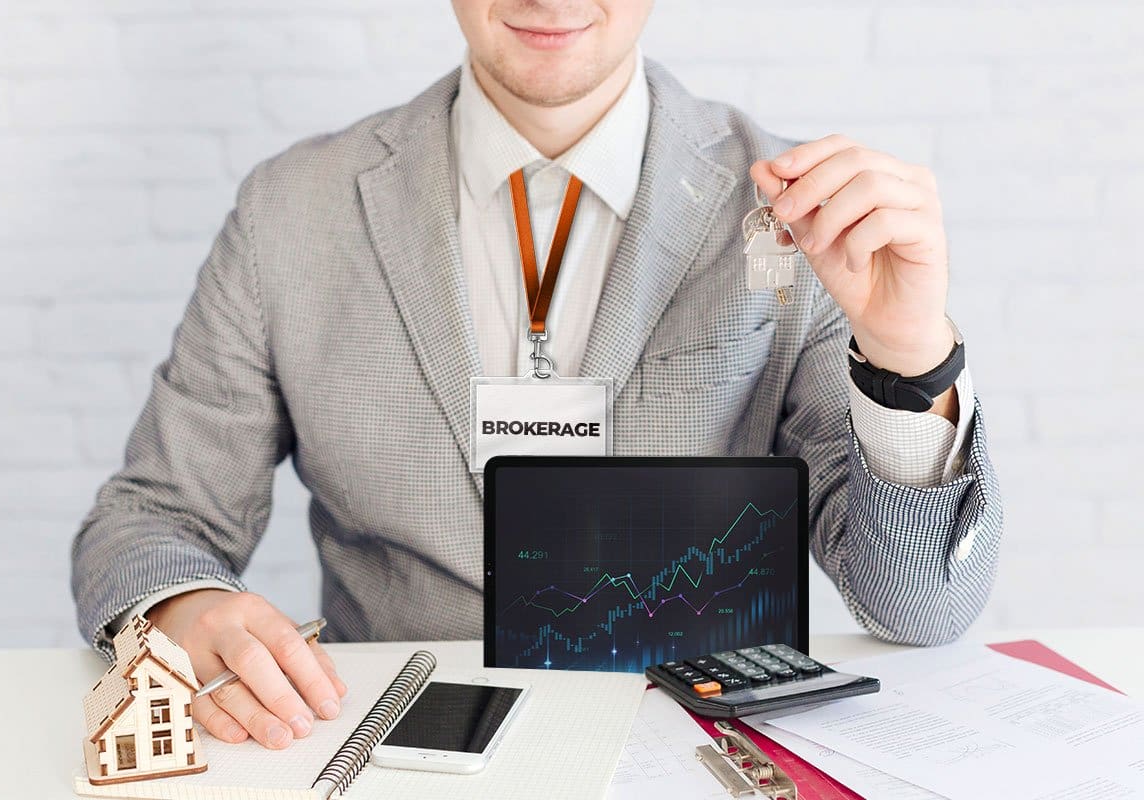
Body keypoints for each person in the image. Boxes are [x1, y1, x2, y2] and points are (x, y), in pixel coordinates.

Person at [71, 0, 1003, 751]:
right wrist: (187, 607)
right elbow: (152, 517)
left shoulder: (802, 219)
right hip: (392, 750)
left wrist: (908, 353)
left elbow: (920, 607)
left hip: (692, 753)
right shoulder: (293, 210)